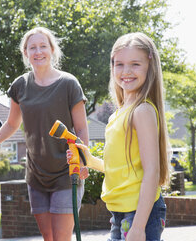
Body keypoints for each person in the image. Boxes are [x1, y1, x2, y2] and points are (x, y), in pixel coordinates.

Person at [0, 27, 89, 241]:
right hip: (36, 174)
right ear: (25, 53)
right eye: (32, 48)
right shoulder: (20, 86)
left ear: (52, 50)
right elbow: (11, 124)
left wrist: (83, 160)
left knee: (61, 237)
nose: (38, 52)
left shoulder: (69, 84)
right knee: (48, 237)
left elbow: (82, 128)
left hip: (67, 171)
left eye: (43, 46)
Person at [67, 32, 169, 241]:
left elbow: (152, 170)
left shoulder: (142, 111)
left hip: (140, 214)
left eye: (135, 64)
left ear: (150, 66)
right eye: (119, 64)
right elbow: (123, 168)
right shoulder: (118, 114)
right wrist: (89, 160)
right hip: (120, 214)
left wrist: (139, 228)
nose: (126, 71)